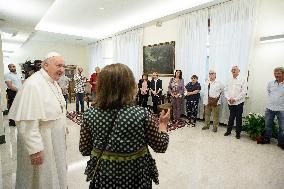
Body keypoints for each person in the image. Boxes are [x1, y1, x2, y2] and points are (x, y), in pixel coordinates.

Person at [79, 63, 170, 189]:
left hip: (104, 176)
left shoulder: (90, 114)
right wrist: (162, 125)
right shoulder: (142, 114)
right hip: (136, 176)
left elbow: (84, 149)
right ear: (129, 86)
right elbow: (161, 146)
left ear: (101, 86)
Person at [8, 52, 67, 189]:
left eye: (63, 66)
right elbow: (27, 121)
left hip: (55, 136)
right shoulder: (33, 84)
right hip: (42, 139)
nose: (62, 69)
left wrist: (63, 126)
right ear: (45, 65)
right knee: (41, 179)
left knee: (55, 173)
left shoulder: (52, 82)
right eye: (59, 65)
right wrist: (35, 149)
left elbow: (59, 108)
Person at [258, 67, 284, 150]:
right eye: (275, 73)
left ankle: (281, 142)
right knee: (268, 125)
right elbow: (269, 92)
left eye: (278, 73)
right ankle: (267, 139)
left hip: (281, 109)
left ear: (283, 74)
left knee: (282, 127)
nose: (276, 75)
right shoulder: (270, 83)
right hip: (270, 108)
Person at [224, 66, 248, 139]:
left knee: (238, 118)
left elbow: (244, 92)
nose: (233, 71)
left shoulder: (243, 79)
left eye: (235, 69)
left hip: (239, 102)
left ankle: (238, 133)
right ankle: (228, 131)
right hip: (230, 102)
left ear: (239, 71)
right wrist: (228, 98)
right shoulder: (228, 79)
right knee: (231, 117)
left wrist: (235, 99)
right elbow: (226, 90)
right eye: (232, 70)